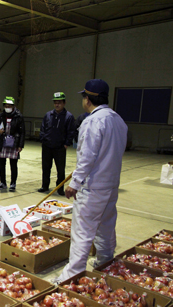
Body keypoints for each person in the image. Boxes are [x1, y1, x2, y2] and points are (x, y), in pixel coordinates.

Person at [53, 79, 128, 283]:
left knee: (82, 232)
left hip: (93, 187)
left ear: (88, 99)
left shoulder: (92, 121)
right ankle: (105, 261)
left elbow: (87, 156)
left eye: (84, 97)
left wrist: (74, 183)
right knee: (106, 225)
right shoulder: (118, 120)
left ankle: (72, 274)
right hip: (111, 184)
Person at [38, 92, 76, 195]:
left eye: (59, 102)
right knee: (46, 168)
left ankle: (59, 188)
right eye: (55, 102)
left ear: (64, 103)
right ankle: (45, 186)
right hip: (47, 146)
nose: (57, 105)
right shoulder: (48, 115)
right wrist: (43, 139)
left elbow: (71, 131)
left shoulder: (68, 117)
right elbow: (43, 128)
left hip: (60, 147)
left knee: (60, 170)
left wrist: (66, 143)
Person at [0, 97, 25, 192]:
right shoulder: (1, 116)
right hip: (2, 142)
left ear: (13, 106)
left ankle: (13, 183)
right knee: (1, 163)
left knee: (13, 164)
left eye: (9, 106)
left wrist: (20, 145)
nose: (7, 107)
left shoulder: (18, 116)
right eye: (6, 106)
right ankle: (2, 182)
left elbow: (22, 132)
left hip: (14, 143)